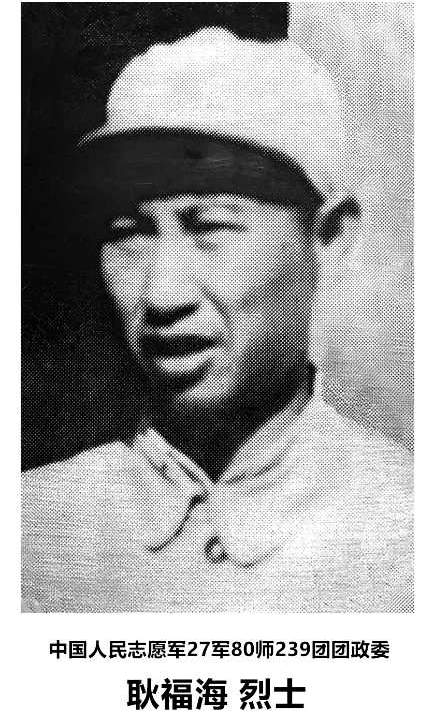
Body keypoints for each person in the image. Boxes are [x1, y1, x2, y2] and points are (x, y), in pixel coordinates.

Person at [22, 28, 412, 612]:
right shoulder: (33, 531)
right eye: (128, 233)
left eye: (211, 227)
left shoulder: (406, 529)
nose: (162, 294)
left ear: (330, 240)